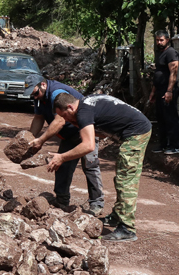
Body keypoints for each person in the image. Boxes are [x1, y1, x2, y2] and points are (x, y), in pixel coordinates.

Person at [51, 92, 152, 242]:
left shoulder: (84, 112)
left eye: (64, 116)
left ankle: (127, 229)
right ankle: (117, 217)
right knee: (121, 178)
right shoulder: (86, 104)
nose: (65, 120)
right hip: (135, 128)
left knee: (126, 180)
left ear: (70, 107)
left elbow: (89, 146)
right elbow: (103, 133)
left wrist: (61, 157)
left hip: (136, 132)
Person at [23, 74, 105, 215]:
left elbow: (59, 121)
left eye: (35, 93)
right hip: (69, 135)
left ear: (43, 85)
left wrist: (41, 140)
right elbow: (38, 118)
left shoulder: (57, 93)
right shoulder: (39, 98)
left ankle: (96, 204)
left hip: (85, 130)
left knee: (90, 166)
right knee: (60, 164)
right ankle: (62, 201)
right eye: (32, 95)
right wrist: (31, 139)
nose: (35, 97)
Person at [149, 30, 179, 155]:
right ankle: (163, 145)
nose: (159, 42)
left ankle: (175, 146)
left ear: (167, 40)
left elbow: (173, 72)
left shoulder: (171, 53)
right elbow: (157, 74)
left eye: (161, 40)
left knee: (171, 118)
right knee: (161, 118)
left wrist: (169, 91)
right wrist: (153, 92)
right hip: (160, 90)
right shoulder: (160, 54)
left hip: (168, 91)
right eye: (157, 40)